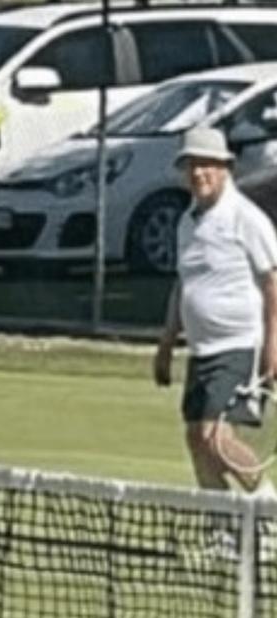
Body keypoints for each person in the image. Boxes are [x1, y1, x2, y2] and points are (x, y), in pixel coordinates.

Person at [154, 125, 277, 498]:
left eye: (207, 164)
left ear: (225, 168)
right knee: (197, 438)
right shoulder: (187, 223)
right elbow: (184, 286)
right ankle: (223, 531)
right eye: (192, 165)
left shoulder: (246, 218)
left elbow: (273, 286)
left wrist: (273, 347)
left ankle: (269, 510)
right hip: (202, 351)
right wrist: (165, 343)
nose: (199, 173)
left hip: (240, 346)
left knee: (217, 436)